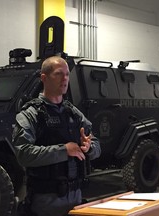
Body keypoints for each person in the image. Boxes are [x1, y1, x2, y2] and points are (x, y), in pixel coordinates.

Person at [12, 56, 101, 216]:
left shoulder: (73, 114)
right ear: (44, 78)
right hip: (45, 202)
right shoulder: (31, 115)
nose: (65, 78)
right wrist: (64, 150)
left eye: (67, 74)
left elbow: (96, 145)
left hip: (75, 198)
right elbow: (23, 154)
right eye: (59, 74)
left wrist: (89, 148)